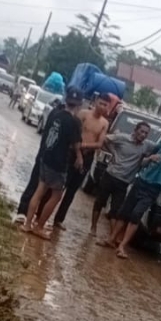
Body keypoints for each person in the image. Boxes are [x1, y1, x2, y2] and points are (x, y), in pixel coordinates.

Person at [99, 118, 161, 259]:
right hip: (141, 181)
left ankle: (122, 246)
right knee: (124, 211)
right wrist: (150, 158)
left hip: (154, 187)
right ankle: (111, 239)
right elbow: (144, 162)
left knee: (136, 215)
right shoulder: (160, 145)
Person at [22, 88, 84, 240]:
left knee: (40, 189)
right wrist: (79, 156)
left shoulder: (55, 113)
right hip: (59, 162)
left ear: (66, 99)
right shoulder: (74, 121)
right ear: (80, 104)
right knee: (57, 195)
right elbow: (76, 143)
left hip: (46, 156)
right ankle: (40, 227)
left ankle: (27, 224)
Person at [51, 93, 111, 230]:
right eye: (101, 103)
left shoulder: (104, 123)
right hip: (71, 154)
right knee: (59, 186)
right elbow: (73, 134)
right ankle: (43, 212)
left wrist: (82, 146)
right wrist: (78, 148)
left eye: (105, 105)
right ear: (96, 101)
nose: (102, 107)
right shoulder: (83, 114)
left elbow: (99, 144)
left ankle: (59, 219)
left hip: (87, 157)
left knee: (72, 191)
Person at [90, 120, 153, 235]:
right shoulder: (123, 138)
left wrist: (151, 158)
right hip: (110, 175)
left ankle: (111, 236)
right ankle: (93, 227)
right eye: (141, 131)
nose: (143, 135)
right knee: (100, 202)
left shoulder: (146, 146)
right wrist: (111, 150)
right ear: (135, 130)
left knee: (116, 209)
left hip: (124, 182)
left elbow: (159, 148)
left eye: (146, 133)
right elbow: (105, 139)